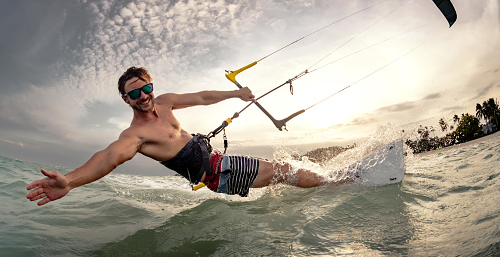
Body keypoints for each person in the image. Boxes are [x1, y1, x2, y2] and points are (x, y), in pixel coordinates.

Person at [26, 67, 341, 206]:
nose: (143, 96)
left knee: (279, 169)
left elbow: (202, 97)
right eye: (134, 93)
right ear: (126, 99)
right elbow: (108, 157)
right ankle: (339, 185)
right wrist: (69, 181)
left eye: (146, 87)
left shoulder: (164, 102)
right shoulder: (134, 135)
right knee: (283, 171)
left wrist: (236, 93)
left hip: (218, 161)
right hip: (216, 174)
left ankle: (328, 183)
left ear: (152, 85)